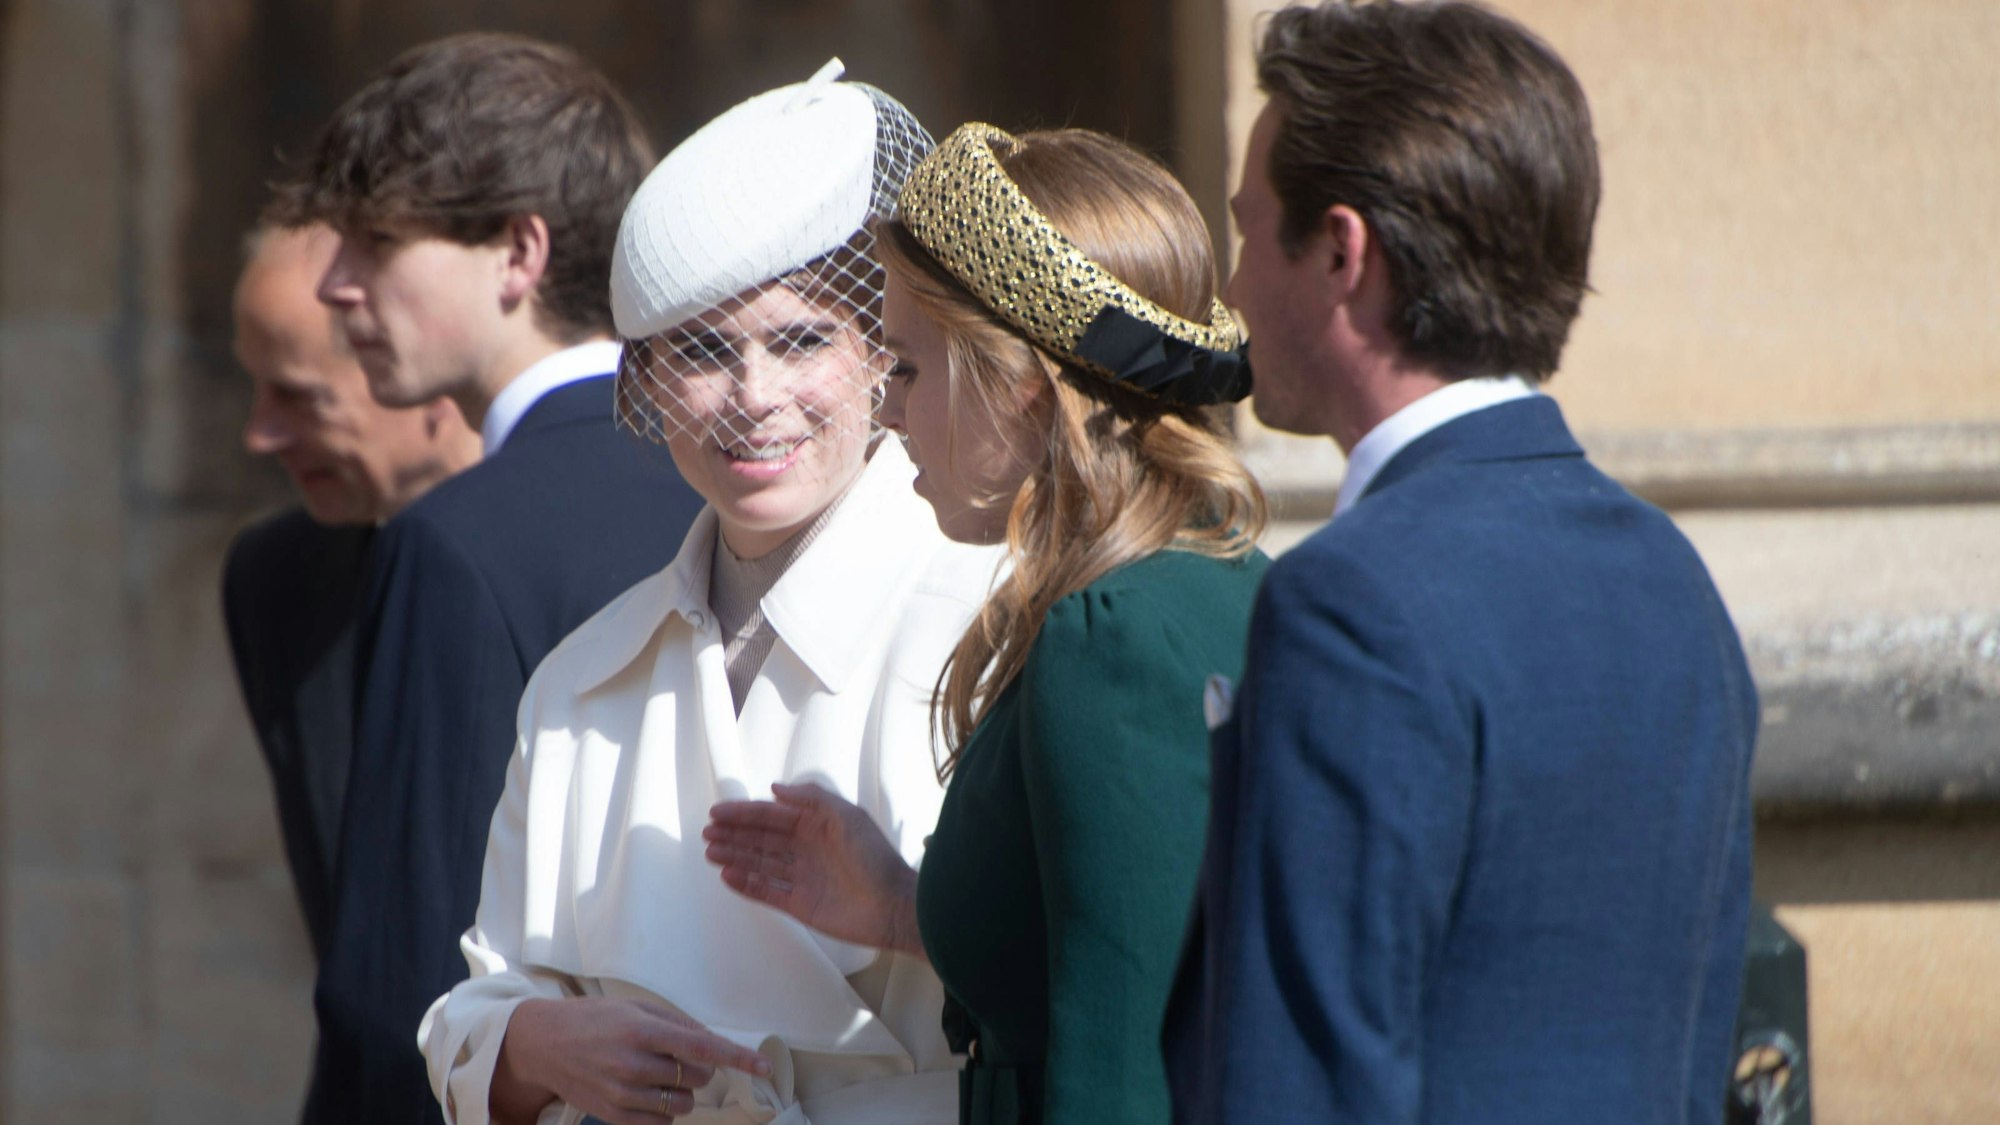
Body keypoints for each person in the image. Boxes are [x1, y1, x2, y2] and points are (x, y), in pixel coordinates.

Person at [1161, 4, 1760, 1123]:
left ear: (1342, 252)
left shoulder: (1350, 600)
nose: (1233, 292)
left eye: (1248, 234)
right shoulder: (1667, 576)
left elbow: (1305, 1081)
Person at [419, 65, 1002, 1125]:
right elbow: (481, 995)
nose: (753, 398)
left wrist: (906, 913)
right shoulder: (584, 674)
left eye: (800, 340)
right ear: (640, 384)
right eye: (699, 352)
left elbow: (1105, 962)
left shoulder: (990, 611)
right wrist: (537, 1040)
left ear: (881, 352)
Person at [704, 123, 1269, 1125]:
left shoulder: (1111, 632)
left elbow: (1116, 1064)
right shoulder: (1212, 576)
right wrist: (897, 907)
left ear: (1017, 387)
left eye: (910, 369)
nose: (887, 411)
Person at [272, 33, 704, 1124]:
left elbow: (402, 994)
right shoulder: (740, 493)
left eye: (375, 242)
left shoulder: (458, 540)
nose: (334, 286)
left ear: (518, 254)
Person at [224, 221, 481, 960]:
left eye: (298, 396)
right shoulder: (278, 581)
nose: (260, 434)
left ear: (420, 375)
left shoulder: (612, 558)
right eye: (256, 387)